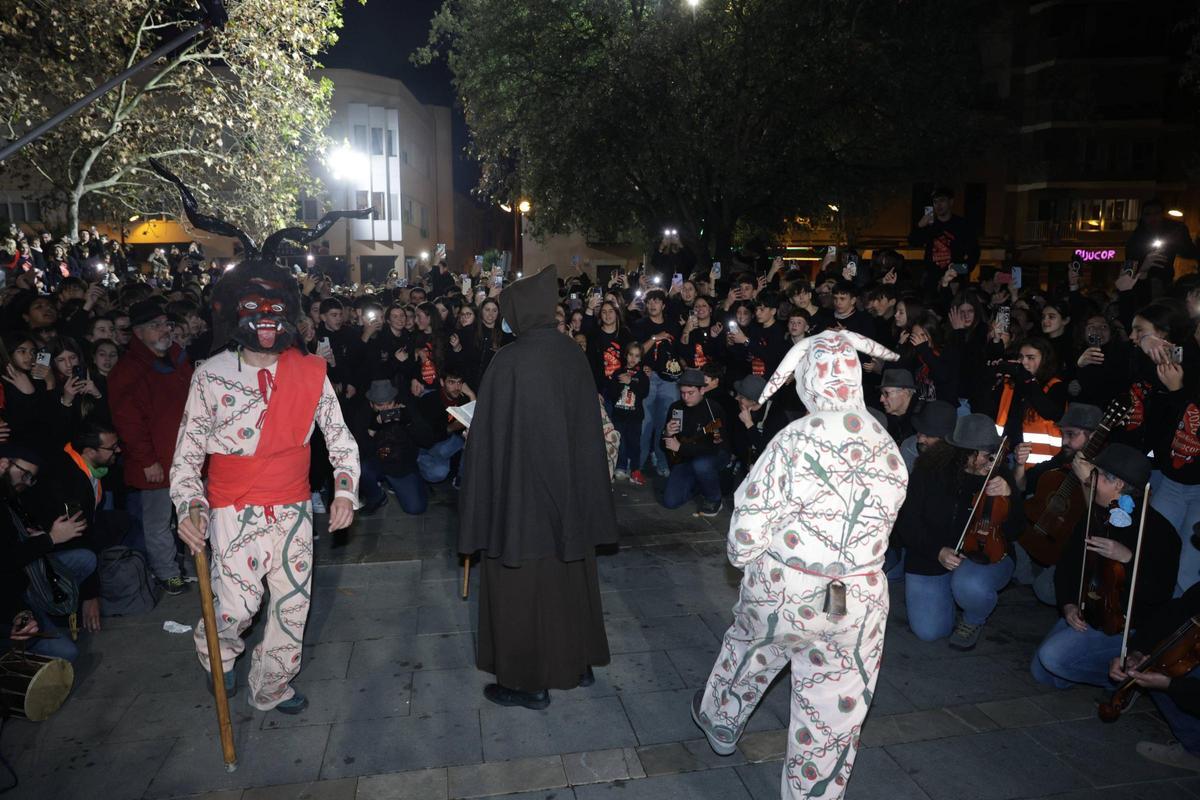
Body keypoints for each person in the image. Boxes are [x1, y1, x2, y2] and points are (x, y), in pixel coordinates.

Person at [155, 163, 364, 714]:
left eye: (276, 311)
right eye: (254, 310)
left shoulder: (311, 371)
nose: (266, 321)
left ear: (289, 315)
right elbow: (186, 454)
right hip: (231, 511)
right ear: (234, 315)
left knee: (293, 608)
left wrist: (344, 491)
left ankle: (273, 686)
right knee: (235, 608)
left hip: (295, 508)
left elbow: (339, 439)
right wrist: (190, 506)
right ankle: (216, 653)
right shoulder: (211, 373)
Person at [692, 330, 906, 800]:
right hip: (860, 599)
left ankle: (721, 721)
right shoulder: (885, 442)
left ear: (809, 378)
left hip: (787, 586)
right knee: (834, 708)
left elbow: (749, 521)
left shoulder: (795, 438)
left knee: (753, 650)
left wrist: (743, 560)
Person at [457, 267, 617, 710]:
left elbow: (490, 436)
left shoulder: (509, 361)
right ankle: (576, 661)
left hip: (521, 500)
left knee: (521, 586)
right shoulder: (571, 354)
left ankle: (528, 681)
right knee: (569, 577)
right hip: (568, 497)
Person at [1031, 444, 1180, 689]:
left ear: (1118, 484)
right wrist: (1068, 604)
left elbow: (1159, 594)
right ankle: (1098, 666)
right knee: (1044, 673)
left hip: (1123, 625)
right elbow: (1067, 565)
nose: (1089, 479)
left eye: (1095, 474)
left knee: (1052, 658)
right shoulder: (1095, 515)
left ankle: (1126, 682)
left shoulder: (1160, 533)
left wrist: (1128, 560)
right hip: (1088, 611)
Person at [895, 414, 1023, 649]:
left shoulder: (998, 475)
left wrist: (1010, 498)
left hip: (984, 556)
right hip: (931, 555)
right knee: (929, 631)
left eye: (993, 453)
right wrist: (937, 551)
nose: (991, 460)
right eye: (985, 455)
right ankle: (948, 597)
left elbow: (1016, 530)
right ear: (964, 453)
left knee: (970, 586)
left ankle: (973, 617)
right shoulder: (928, 472)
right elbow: (907, 523)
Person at [107, 298, 194, 596]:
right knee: (158, 522)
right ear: (139, 332)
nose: (164, 330)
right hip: (157, 460)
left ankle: (200, 566)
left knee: (195, 513)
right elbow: (129, 422)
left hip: (188, 455)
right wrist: (147, 460)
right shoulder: (128, 370)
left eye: (166, 324)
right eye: (156, 326)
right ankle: (168, 573)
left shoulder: (177, 356)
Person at [0, 444, 90, 662]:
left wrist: (38, 536)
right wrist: (50, 539)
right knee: (67, 654)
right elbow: (6, 561)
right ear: (4, 464)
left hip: (21, 582)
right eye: (25, 474)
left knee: (85, 559)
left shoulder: (10, 495)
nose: (26, 482)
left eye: (31, 478)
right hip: (11, 591)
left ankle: (47, 613)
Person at [1010, 402, 1104, 606]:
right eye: (1063, 434)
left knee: (1046, 590)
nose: (1064, 441)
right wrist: (1019, 465)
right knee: (1011, 514)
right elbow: (1021, 486)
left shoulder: (1108, 467)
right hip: (1046, 531)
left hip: (1072, 547)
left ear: (1094, 436)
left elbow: (1100, 521)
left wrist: (1087, 482)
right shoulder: (1063, 457)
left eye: (1071, 435)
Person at [352, 380, 438, 516]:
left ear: (395, 400)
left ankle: (416, 484)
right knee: (359, 467)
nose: (386, 408)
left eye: (389, 403)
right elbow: (357, 451)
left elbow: (427, 440)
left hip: (401, 467)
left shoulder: (405, 409)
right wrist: (372, 429)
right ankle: (377, 497)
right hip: (376, 462)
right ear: (371, 404)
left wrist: (409, 422)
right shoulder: (363, 415)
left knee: (416, 508)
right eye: (380, 405)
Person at [660, 368, 730, 516]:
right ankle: (700, 484)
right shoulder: (676, 408)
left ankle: (714, 499)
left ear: (702, 390)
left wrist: (681, 448)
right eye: (683, 393)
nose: (686, 397)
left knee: (702, 465)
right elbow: (665, 446)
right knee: (670, 502)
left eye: (690, 393)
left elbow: (714, 446)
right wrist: (667, 434)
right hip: (686, 457)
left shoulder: (713, 409)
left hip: (713, 455)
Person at [907, 186, 980, 289]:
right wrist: (920, 225)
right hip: (932, 280)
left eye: (942, 201)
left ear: (951, 202)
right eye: (935, 202)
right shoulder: (930, 224)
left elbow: (974, 253)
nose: (938, 205)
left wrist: (959, 270)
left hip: (954, 281)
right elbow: (913, 242)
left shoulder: (962, 225)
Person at [605, 341, 650, 482]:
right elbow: (611, 394)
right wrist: (621, 384)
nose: (633, 358)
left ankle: (636, 469)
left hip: (635, 416)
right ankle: (621, 467)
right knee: (621, 442)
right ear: (626, 355)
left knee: (634, 443)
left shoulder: (642, 375)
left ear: (641, 358)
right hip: (619, 414)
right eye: (631, 355)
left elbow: (644, 393)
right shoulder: (618, 372)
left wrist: (631, 382)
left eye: (637, 356)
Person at [879, 368, 919, 443]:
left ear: (905, 393)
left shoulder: (920, 422)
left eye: (886, 393)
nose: (881, 399)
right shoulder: (881, 417)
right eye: (881, 393)